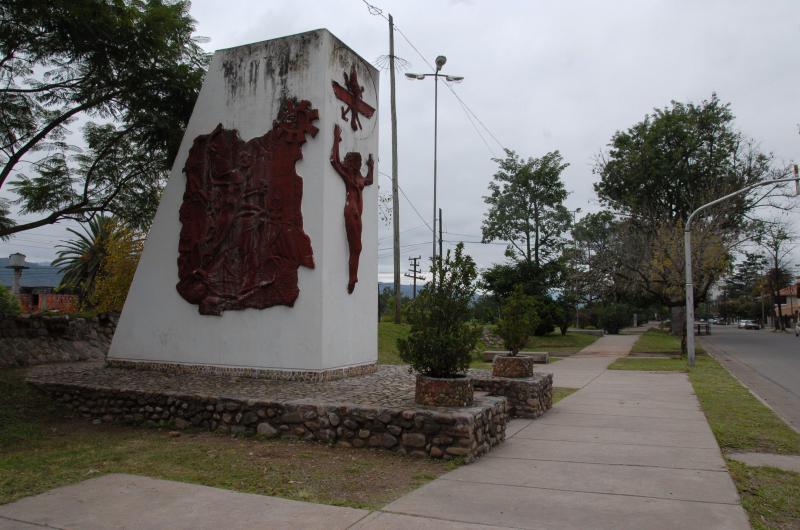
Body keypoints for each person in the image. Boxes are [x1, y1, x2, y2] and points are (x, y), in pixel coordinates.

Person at [330, 124, 373, 293]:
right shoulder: (349, 176)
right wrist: (336, 140)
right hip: (350, 211)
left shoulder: (359, 178)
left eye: (359, 162)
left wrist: (371, 166)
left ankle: (353, 276)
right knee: (356, 247)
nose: (358, 164)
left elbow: (369, 180)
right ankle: (352, 278)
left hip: (357, 214)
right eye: (358, 162)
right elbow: (334, 160)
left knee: (357, 248)